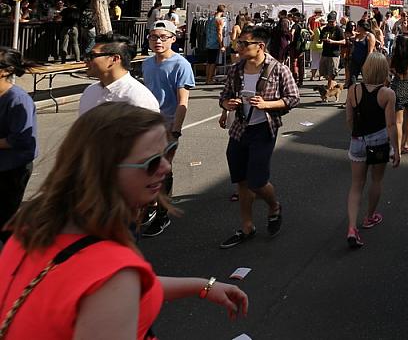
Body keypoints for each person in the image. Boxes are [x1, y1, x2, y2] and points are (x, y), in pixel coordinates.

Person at [0, 103, 248, 338]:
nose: (166, 168)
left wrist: (202, 287)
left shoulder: (28, 229)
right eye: (151, 163)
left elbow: (116, 289)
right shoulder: (115, 273)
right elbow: (113, 287)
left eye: (168, 153)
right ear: (103, 170)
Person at [217, 25, 299, 249]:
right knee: (242, 181)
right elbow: (223, 96)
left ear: (260, 46)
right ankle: (247, 225)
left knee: (257, 181)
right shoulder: (236, 69)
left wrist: (266, 105)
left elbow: (292, 98)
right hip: (239, 129)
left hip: (264, 129)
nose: (239, 47)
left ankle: (274, 206)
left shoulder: (278, 69)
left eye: (244, 43)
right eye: (239, 43)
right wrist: (227, 104)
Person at [139, 20, 195, 238]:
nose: (158, 41)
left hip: (168, 125)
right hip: (147, 125)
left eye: (163, 37)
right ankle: (150, 207)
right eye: (153, 37)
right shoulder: (147, 63)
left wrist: (176, 129)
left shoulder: (181, 65)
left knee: (162, 171)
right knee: (144, 169)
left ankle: (163, 215)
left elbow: (183, 100)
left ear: (173, 38)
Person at [345, 53, 400, 248]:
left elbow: (349, 119)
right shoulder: (387, 93)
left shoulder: (353, 90)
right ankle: (369, 217)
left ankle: (352, 227)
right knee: (376, 180)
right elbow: (391, 124)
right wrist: (396, 149)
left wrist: (355, 132)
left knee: (356, 184)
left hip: (358, 139)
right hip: (378, 140)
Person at [0, 49, 37, 237]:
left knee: (6, 220)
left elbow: (20, 138)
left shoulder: (18, 99)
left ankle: (13, 259)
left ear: (6, 71)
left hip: (12, 169)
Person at [78, 33, 160, 115]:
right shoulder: (90, 91)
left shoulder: (138, 98)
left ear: (114, 59)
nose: (86, 60)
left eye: (92, 55)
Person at [318, 12, 345, 93]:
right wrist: (322, 40)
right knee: (323, 72)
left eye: (332, 22)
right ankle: (334, 83)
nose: (330, 23)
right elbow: (320, 38)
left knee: (331, 73)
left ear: (335, 21)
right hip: (325, 53)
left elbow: (343, 41)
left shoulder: (338, 29)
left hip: (334, 54)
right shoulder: (325, 29)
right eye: (329, 22)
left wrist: (333, 41)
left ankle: (329, 89)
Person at [347, 20, 376, 86]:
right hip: (355, 61)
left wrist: (366, 64)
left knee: (367, 82)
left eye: (357, 26)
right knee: (352, 81)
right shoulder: (357, 35)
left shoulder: (370, 36)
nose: (356, 27)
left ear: (361, 27)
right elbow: (353, 45)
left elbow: (370, 51)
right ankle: (352, 94)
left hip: (364, 61)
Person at [204, 5, 227, 85]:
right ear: (223, 12)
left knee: (209, 61)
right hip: (214, 43)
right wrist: (222, 45)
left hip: (208, 42)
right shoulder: (219, 20)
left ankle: (207, 78)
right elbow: (219, 34)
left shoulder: (210, 19)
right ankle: (209, 79)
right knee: (213, 62)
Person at [58, 0, 82, 64]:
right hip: (74, 28)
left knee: (64, 44)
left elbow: (58, 17)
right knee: (75, 44)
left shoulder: (66, 10)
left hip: (66, 27)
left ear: (69, 3)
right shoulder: (77, 11)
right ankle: (78, 59)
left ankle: (63, 60)